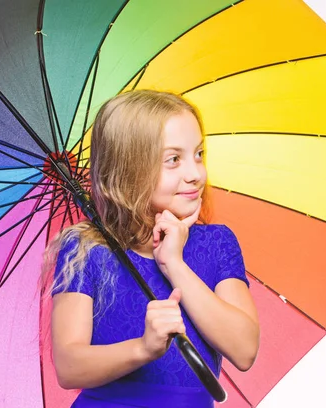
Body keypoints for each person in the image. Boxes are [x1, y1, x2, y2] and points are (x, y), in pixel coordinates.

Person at [44, 89, 259, 407]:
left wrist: (175, 264)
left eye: (199, 154)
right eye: (174, 159)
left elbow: (244, 349)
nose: (195, 173)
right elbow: (69, 366)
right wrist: (143, 348)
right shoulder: (86, 251)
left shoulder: (216, 242)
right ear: (129, 169)